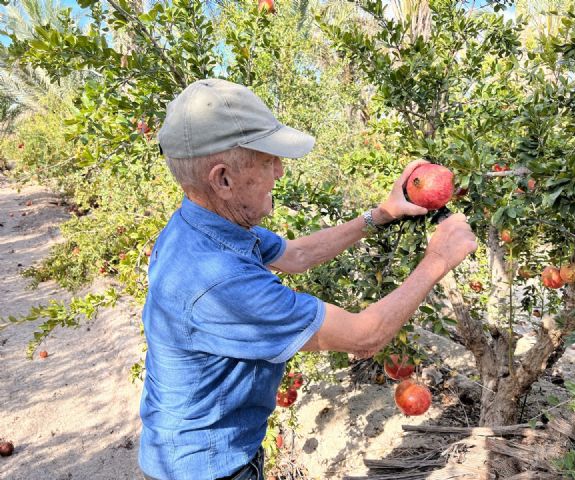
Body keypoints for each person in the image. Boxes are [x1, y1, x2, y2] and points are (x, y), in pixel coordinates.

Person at [138, 78, 477, 480]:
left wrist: (380, 214)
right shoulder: (219, 279)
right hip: (208, 469)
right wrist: (438, 259)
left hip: (201, 454)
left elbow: (296, 255)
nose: (280, 171)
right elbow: (363, 337)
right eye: (268, 160)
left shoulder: (204, 226)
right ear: (223, 179)